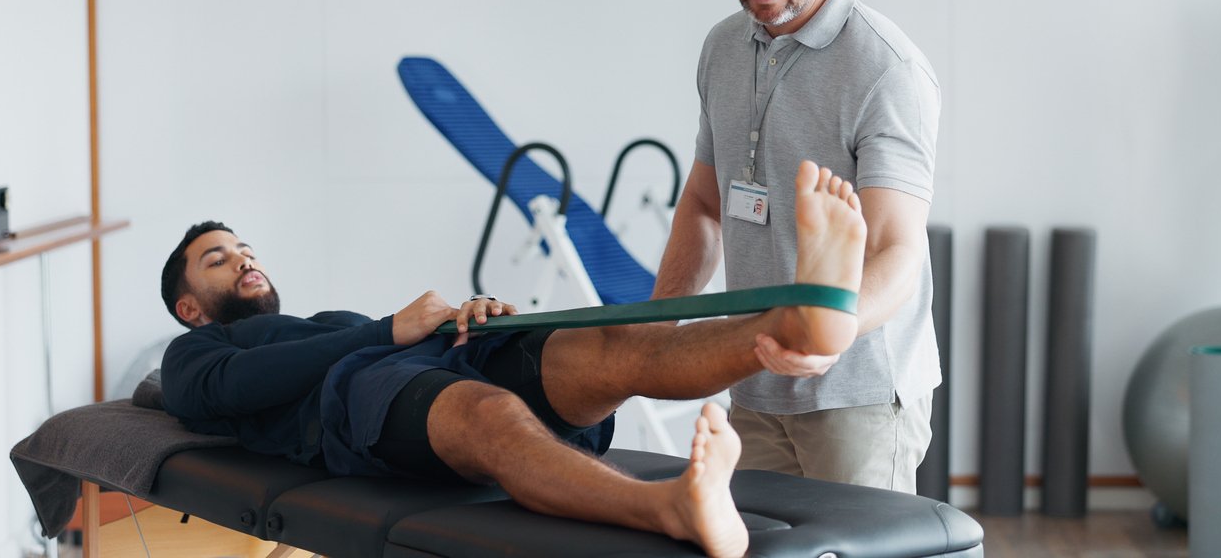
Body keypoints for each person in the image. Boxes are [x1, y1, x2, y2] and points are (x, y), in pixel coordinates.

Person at [160, 161, 866, 558]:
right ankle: (671, 509)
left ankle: (794, 322)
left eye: (244, 248)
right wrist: (386, 329)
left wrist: (462, 320)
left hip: (441, 356)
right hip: (353, 402)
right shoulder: (193, 354)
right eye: (217, 260)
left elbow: (387, 341)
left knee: (612, 346)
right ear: (189, 306)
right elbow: (235, 388)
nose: (242, 259)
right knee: (488, 415)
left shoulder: (316, 323)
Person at [651, 0, 941, 493]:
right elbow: (705, 205)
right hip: (753, 376)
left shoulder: (886, 70)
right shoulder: (723, 48)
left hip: (857, 392)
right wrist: (657, 324)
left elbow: (898, 249)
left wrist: (827, 333)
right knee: (754, 538)